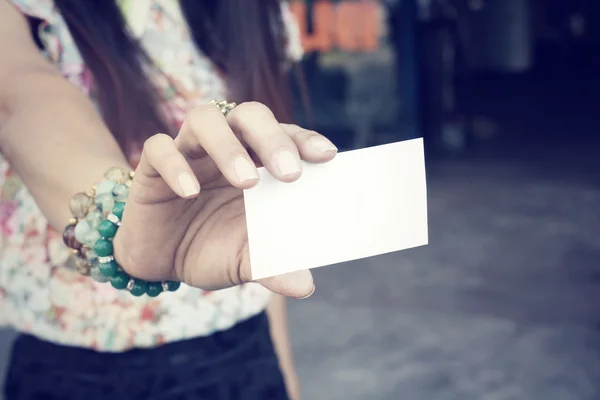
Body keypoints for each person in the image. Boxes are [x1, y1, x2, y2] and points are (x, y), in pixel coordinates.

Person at [0, 0, 338, 398]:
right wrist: (119, 221)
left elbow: (252, 225)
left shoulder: (252, 11)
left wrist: (286, 376)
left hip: (245, 358)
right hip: (77, 373)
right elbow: (21, 98)